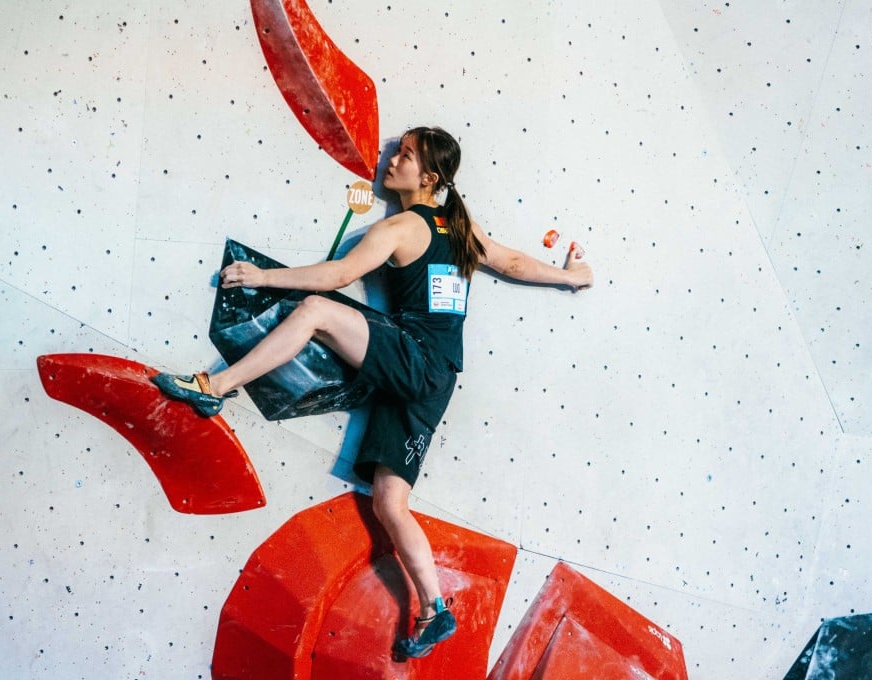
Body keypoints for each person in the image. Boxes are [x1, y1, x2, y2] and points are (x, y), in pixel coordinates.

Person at [152, 126, 593, 659]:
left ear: (428, 177)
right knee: (389, 501)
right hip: (435, 379)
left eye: (404, 156)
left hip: (415, 357)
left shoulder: (406, 226)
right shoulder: (460, 227)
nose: (391, 161)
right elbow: (513, 263)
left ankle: (214, 386)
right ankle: (434, 610)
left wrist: (264, 278)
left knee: (316, 312)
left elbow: (338, 274)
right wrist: (571, 278)